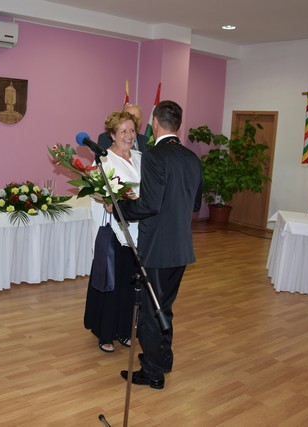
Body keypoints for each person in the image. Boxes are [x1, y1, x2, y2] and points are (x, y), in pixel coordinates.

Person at [109, 100, 202, 390]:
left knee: (151, 311)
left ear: (155, 123)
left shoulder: (154, 156)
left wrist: (120, 207)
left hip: (157, 248)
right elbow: (195, 205)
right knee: (165, 307)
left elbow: (149, 205)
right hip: (181, 248)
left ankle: (152, 372)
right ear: (178, 125)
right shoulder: (192, 158)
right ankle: (162, 358)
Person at [84, 111, 141, 353]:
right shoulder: (103, 160)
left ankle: (125, 330)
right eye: (123, 131)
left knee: (130, 283)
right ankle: (106, 332)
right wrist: (106, 199)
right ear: (112, 135)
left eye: (132, 130)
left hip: (137, 230)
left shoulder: (140, 158)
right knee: (111, 281)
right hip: (114, 231)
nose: (128, 135)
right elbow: (94, 192)